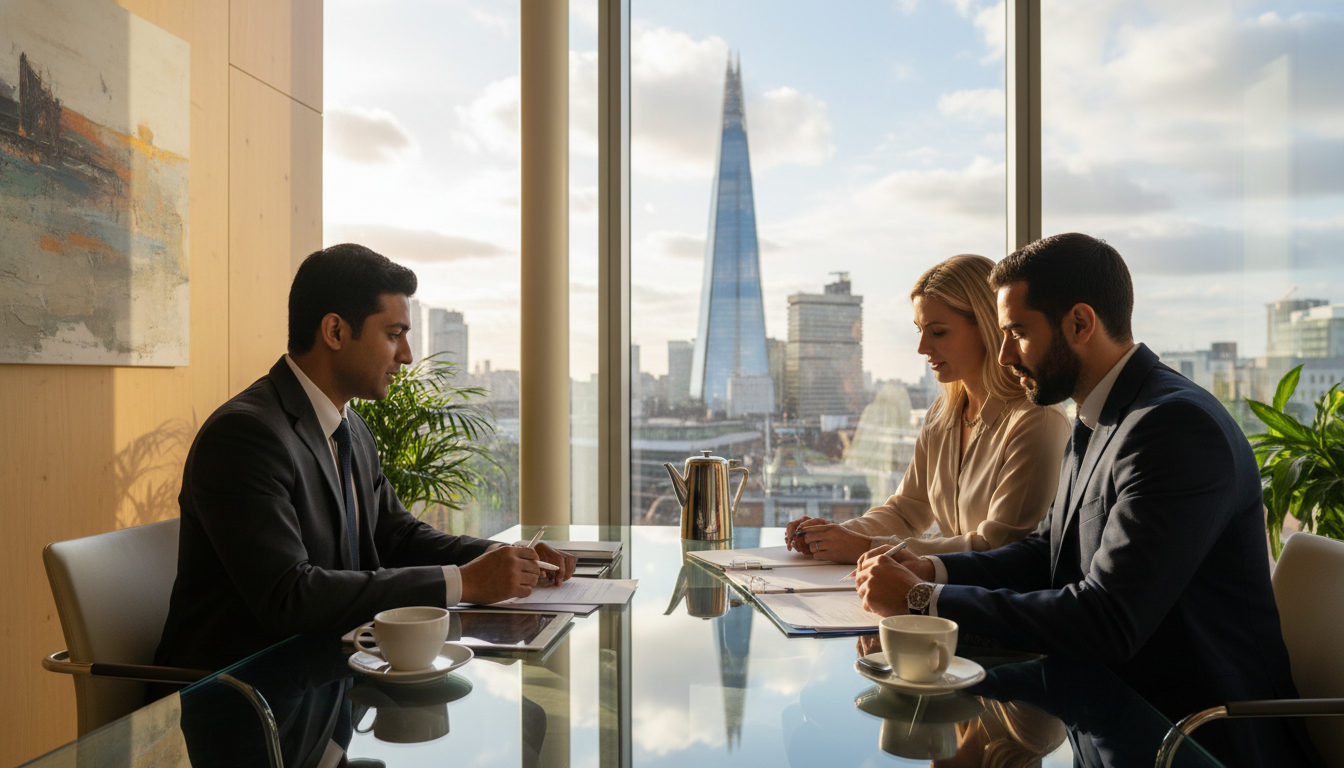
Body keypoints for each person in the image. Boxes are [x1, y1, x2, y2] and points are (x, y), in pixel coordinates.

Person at [854, 233, 1321, 767]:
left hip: (1193, 739)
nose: (1003, 354)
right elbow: (1044, 554)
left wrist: (923, 602)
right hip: (1109, 726)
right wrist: (933, 570)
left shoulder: (1173, 428)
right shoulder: (1102, 415)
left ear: (1080, 323)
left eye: (1017, 333)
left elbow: (1107, 620)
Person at [155, 244, 575, 672]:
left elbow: (398, 537)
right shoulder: (245, 436)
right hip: (239, 697)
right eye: (394, 335)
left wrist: (510, 561)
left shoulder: (349, 426)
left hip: (328, 678)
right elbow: (289, 596)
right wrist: (466, 581)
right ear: (335, 332)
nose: (407, 356)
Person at [785, 254, 1070, 563]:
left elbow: (998, 548)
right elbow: (905, 512)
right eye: (920, 330)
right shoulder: (942, 414)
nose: (922, 348)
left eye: (938, 332)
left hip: (996, 605)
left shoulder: (1037, 420)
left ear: (987, 326)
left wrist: (866, 547)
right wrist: (832, 536)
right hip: (947, 593)